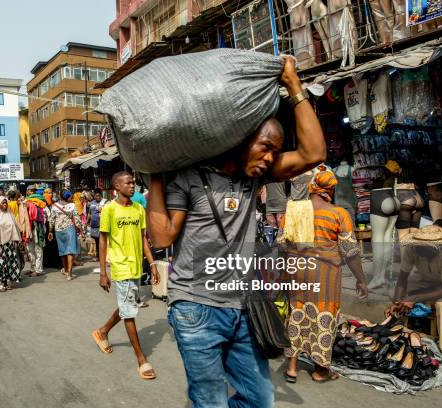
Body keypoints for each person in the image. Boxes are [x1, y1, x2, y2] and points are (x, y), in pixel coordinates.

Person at [146, 57, 326, 407]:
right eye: (266, 147)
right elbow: (163, 238)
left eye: (276, 152)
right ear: (241, 140)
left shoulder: (254, 176)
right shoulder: (189, 178)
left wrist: (293, 87)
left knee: (261, 400)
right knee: (211, 401)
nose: (270, 158)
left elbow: (313, 152)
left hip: (242, 308)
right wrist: (153, 172)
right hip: (197, 308)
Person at [280, 165, 368, 383]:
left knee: (296, 313)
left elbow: (280, 245)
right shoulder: (338, 213)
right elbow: (350, 252)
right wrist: (361, 280)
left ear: (311, 188)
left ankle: (291, 367)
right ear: (330, 191)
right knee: (324, 317)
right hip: (325, 275)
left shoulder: (294, 211)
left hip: (296, 272)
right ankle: (321, 370)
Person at [91, 171, 160, 380]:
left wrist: (153, 263)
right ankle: (142, 359)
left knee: (126, 304)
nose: (133, 186)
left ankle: (102, 331)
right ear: (117, 186)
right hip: (120, 267)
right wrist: (103, 272)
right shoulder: (109, 210)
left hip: (136, 266)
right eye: (128, 183)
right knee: (129, 312)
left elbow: (143, 239)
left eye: (134, 183)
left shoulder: (139, 208)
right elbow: (103, 241)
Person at [48, 190, 83, 280]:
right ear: (68, 197)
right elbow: (77, 219)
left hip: (58, 230)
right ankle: (70, 274)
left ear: (60, 196)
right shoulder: (72, 205)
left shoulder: (55, 206)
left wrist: (50, 231)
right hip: (70, 229)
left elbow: (51, 220)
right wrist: (81, 230)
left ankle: (66, 270)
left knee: (63, 251)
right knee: (70, 251)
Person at [87, 189, 107, 267]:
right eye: (95, 195)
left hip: (102, 225)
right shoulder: (91, 203)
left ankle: (104, 257)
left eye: (98, 195)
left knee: (102, 242)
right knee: (96, 242)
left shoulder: (105, 202)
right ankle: (98, 257)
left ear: (101, 195)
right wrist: (87, 223)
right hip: (94, 225)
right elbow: (89, 213)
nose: (97, 197)